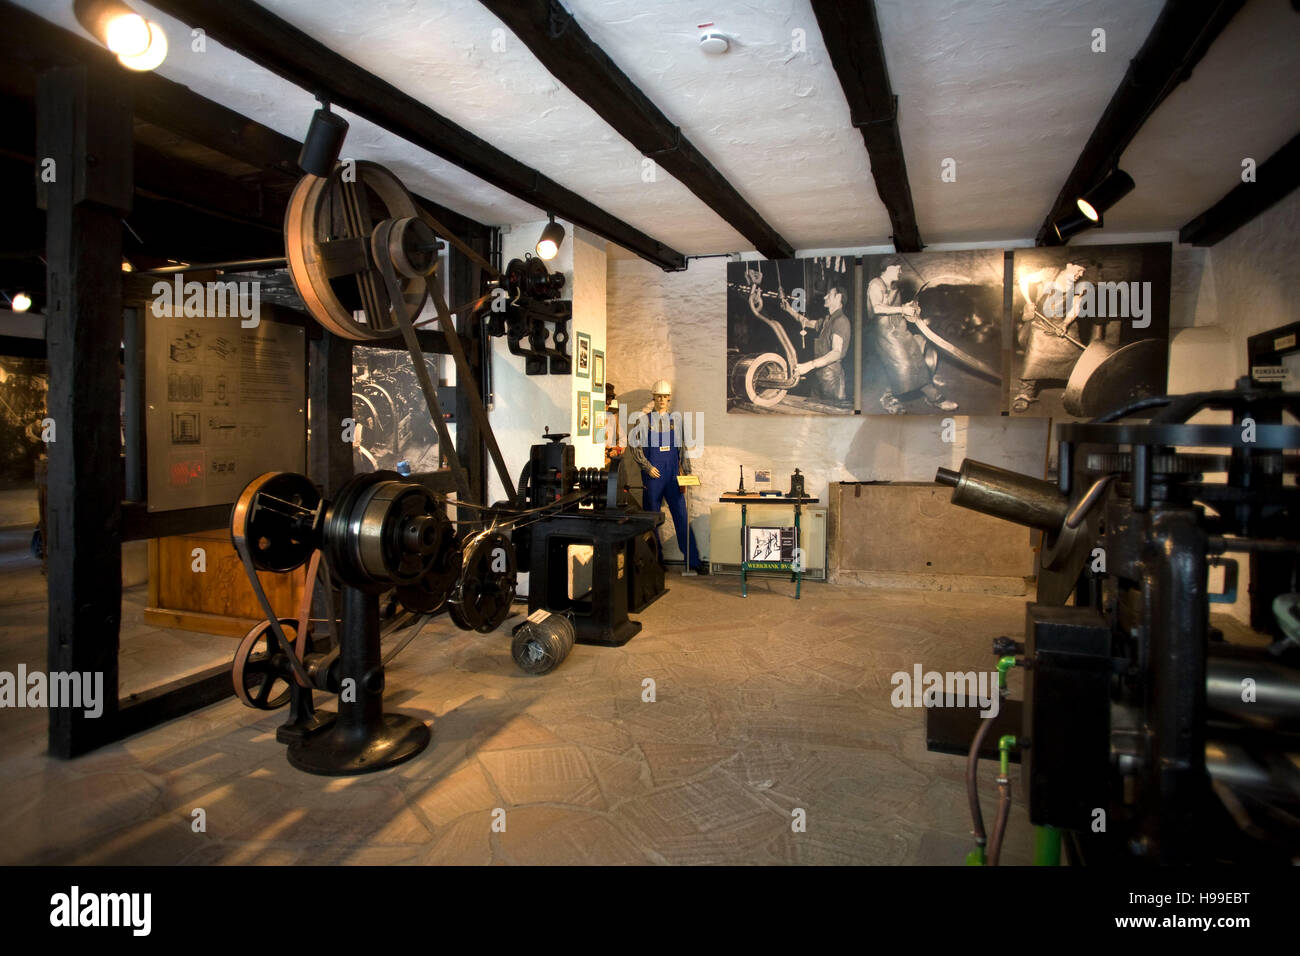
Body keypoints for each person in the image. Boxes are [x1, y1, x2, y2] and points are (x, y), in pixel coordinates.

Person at [627, 380, 704, 573]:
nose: (662, 400)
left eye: (665, 397)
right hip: (653, 476)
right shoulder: (643, 421)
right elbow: (634, 445)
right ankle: (655, 560)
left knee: (681, 515)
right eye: (658, 396)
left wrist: (686, 472)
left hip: (672, 476)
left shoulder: (675, 421)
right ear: (653, 397)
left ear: (669, 398)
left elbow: (682, 449)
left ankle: (692, 561)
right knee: (651, 519)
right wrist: (646, 466)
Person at [867, 259, 957, 414]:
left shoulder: (895, 286)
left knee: (917, 359)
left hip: (899, 329)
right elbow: (876, 308)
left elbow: (896, 311)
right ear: (887, 268)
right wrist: (902, 309)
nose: (900, 272)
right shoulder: (875, 284)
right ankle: (891, 397)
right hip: (884, 333)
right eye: (898, 268)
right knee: (902, 364)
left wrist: (909, 310)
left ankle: (930, 396)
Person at [1013, 262, 1087, 412]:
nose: (1080, 275)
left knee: (1077, 358)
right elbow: (1023, 280)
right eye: (1078, 270)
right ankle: (1025, 393)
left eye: (1083, 272)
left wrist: (1065, 324)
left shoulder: (1082, 285)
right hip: (1041, 322)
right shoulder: (1050, 272)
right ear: (1069, 265)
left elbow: (1076, 308)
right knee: (1034, 357)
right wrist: (1029, 302)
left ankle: (1073, 391)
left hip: (1063, 323)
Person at [784, 285, 851, 406]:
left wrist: (810, 365)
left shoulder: (840, 320)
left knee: (832, 412)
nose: (825, 297)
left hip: (831, 377)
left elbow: (836, 352)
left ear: (838, 297)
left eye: (829, 294)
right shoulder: (827, 320)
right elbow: (806, 322)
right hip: (818, 375)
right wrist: (789, 310)